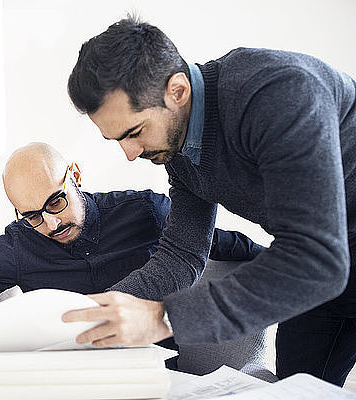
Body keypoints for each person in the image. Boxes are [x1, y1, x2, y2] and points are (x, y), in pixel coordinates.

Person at [65, 16, 356, 386]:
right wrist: (98, 314)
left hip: (318, 260)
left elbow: (317, 258)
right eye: (116, 139)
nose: (129, 152)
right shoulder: (180, 150)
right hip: (318, 276)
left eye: (134, 132)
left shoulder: (277, 93)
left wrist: (160, 319)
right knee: (297, 391)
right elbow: (181, 256)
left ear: (177, 90)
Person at [0, 143, 265, 373]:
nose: (51, 224)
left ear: (76, 176)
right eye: (32, 215)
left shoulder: (145, 211)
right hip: (68, 378)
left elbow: (223, 244)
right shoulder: (16, 246)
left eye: (55, 202)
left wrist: (291, 265)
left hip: (151, 372)